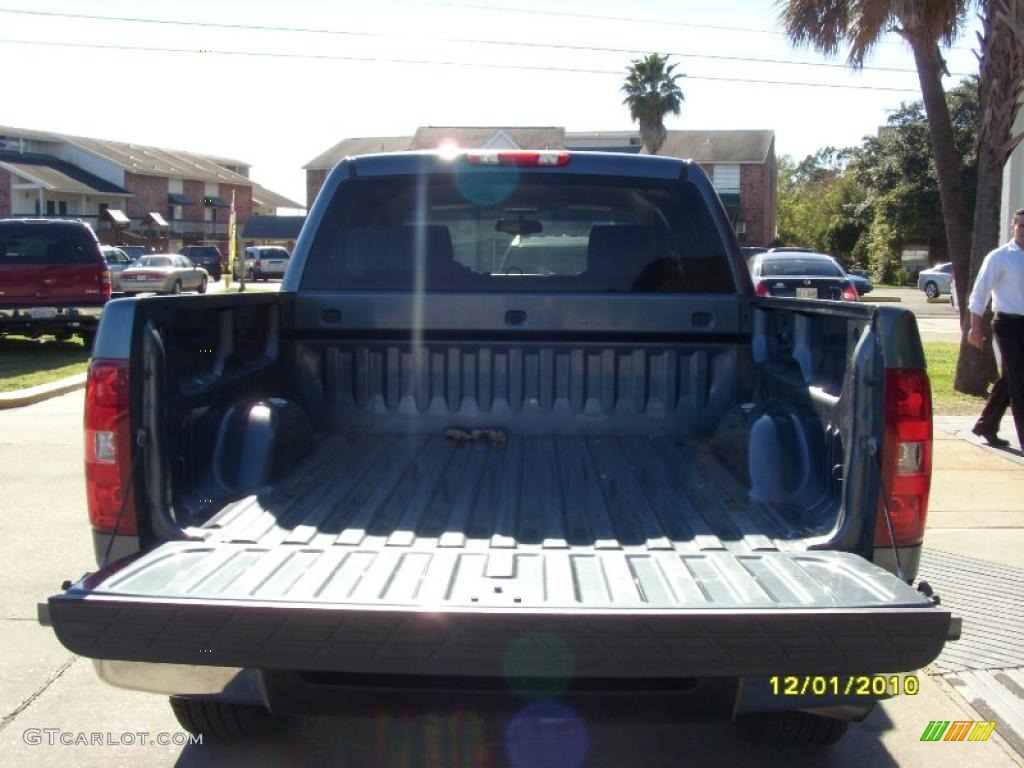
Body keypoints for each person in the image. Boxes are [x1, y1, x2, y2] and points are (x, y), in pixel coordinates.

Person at [968, 208, 1024, 450]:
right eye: (1020, 225)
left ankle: (987, 425)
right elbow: (980, 294)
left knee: (1011, 378)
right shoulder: (1000, 257)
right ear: (1013, 227)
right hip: (1008, 324)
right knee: (1020, 380)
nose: (1023, 230)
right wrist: (974, 328)